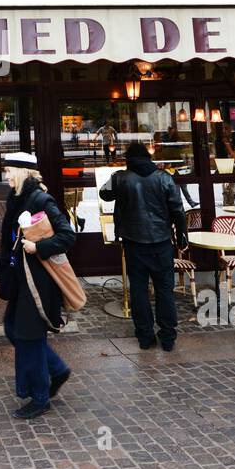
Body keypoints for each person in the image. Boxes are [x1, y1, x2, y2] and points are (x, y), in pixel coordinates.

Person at [0, 152, 76, 420]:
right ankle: (57, 369)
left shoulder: (41, 199)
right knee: (13, 327)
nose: (6, 176)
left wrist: (38, 247)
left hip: (37, 283)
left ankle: (40, 398)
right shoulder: (17, 198)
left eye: (9, 171)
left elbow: (67, 235)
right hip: (21, 279)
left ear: (22, 172)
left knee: (29, 336)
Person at [99, 143, 189, 350]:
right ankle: (168, 337)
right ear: (148, 158)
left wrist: (117, 178)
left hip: (133, 242)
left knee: (139, 290)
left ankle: (145, 336)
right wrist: (182, 236)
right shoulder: (164, 178)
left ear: (129, 159)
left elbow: (104, 194)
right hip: (161, 242)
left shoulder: (121, 178)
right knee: (165, 290)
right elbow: (178, 210)